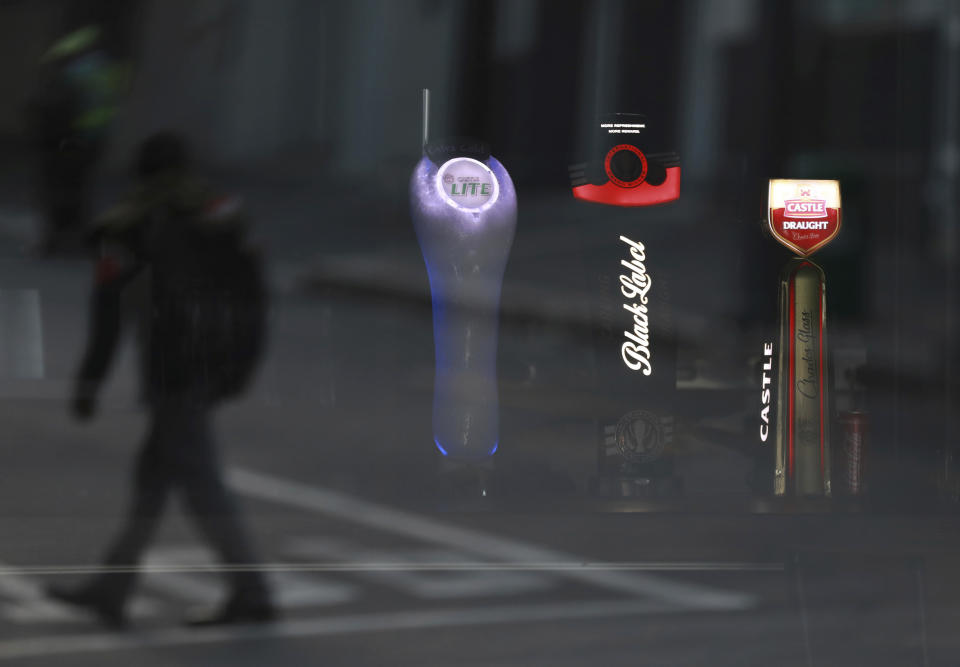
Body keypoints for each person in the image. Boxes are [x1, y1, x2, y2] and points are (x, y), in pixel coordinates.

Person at [47, 132, 274, 628]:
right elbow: (256, 294)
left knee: (201, 483)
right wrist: (242, 365)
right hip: (216, 365)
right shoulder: (221, 211)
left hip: (172, 371)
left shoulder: (127, 224)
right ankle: (113, 588)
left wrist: (89, 385)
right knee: (153, 479)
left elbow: (108, 315)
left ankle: (252, 591)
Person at [27, 24, 127, 254]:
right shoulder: (108, 71)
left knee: (58, 191)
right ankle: (78, 241)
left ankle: (55, 241)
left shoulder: (73, 75)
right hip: (93, 140)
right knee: (79, 190)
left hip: (67, 140)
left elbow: (54, 109)